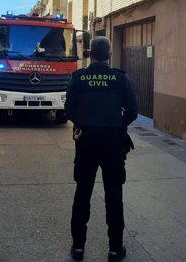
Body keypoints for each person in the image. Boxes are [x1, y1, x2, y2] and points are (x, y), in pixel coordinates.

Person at [65, 36, 138, 262]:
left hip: (86, 143)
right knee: (114, 196)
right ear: (108, 55)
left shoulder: (78, 78)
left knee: (82, 194)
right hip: (113, 144)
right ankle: (115, 250)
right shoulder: (119, 78)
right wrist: (117, 124)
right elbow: (133, 111)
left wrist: (84, 122)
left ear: (91, 54)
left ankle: (78, 248)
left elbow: (68, 110)